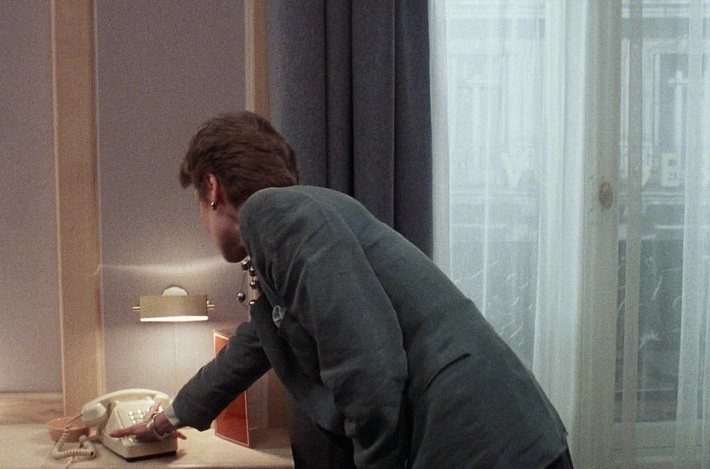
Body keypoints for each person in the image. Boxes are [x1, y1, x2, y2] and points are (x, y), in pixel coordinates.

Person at [110, 111, 574, 468]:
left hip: (475, 438)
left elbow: (368, 368)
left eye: (197, 201)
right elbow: (257, 343)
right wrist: (171, 416)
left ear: (212, 188)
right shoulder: (296, 221)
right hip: (501, 433)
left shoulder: (273, 216)